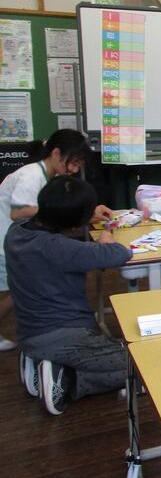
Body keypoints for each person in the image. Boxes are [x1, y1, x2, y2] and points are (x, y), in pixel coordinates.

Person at [6, 175, 131, 415]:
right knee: (141, 362)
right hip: (66, 337)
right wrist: (106, 239)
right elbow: (119, 254)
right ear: (74, 223)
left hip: (29, 332)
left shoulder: (16, 231)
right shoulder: (60, 248)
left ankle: (38, 362)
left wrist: (83, 215)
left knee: (127, 362)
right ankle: (67, 380)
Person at [0, 129, 114, 352]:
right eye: (73, 163)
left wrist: (86, 213)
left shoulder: (48, 176)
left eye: (79, 165)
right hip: (8, 240)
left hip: (18, 240)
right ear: (56, 153)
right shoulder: (31, 176)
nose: (74, 170)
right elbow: (19, 212)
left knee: (20, 290)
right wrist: (72, 212)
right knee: (16, 291)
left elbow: (55, 211)